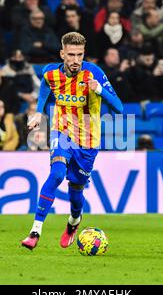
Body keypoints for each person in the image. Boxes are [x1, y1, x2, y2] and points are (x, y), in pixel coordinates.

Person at [21, 32, 123, 250]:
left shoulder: (94, 73)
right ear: (62, 54)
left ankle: (73, 222)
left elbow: (119, 108)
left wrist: (100, 90)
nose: (76, 60)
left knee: (76, 191)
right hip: (62, 132)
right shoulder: (50, 72)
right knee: (57, 173)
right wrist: (39, 113)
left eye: (80, 54)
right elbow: (44, 88)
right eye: (71, 55)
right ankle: (35, 230)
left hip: (88, 142)